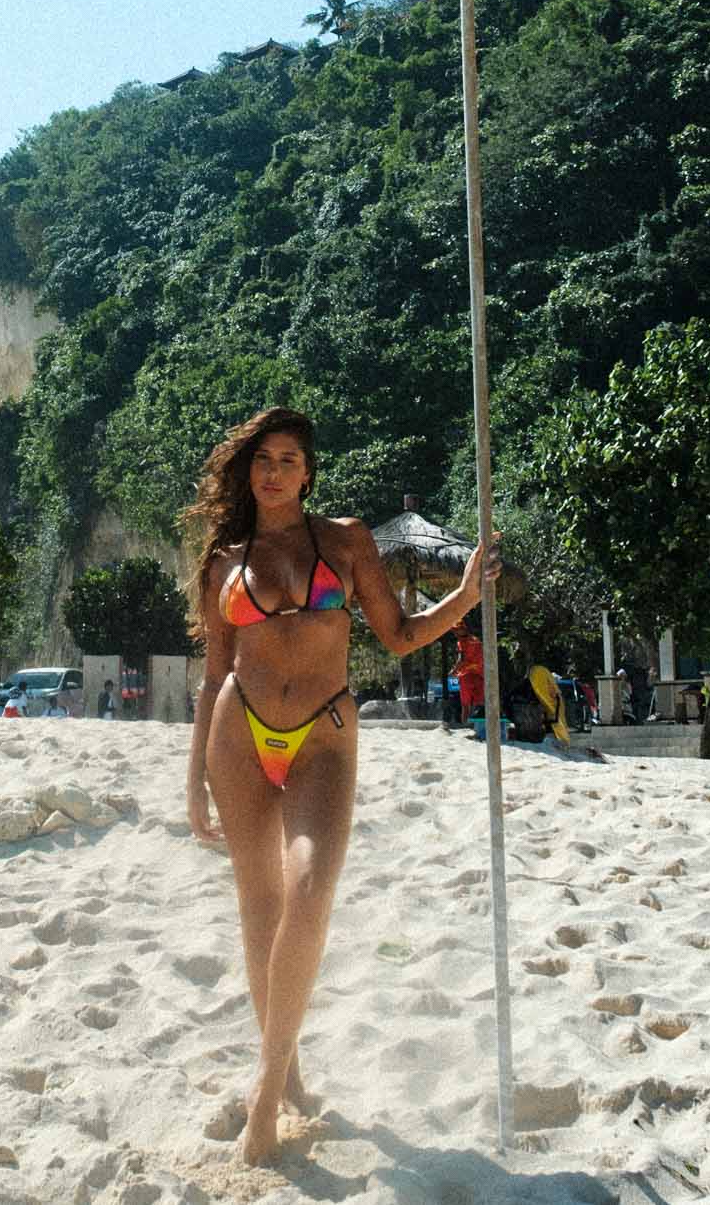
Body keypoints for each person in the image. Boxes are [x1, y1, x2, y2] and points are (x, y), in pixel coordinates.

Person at [184, 406, 496, 1167]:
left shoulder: (348, 540)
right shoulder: (226, 562)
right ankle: (286, 1075)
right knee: (260, 903)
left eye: (289, 458)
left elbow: (396, 633)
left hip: (324, 730)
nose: (274, 470)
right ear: (249, 471)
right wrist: (193, 775)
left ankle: (265, 1090)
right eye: (263, 458)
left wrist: (461, 599)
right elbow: (213, 675)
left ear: (308, 471)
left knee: (310, 886)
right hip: (238, 728)